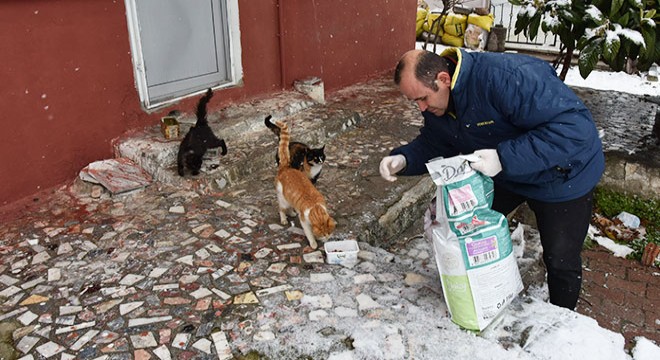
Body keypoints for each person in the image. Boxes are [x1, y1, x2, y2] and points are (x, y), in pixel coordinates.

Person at [379, 48, 604, 310]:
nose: (421, 107)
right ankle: (483, 292)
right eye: (414, 102)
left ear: (443, 78)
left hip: (562, 175)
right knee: (465, 225)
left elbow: (575, 131)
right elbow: (436, 141)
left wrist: (503, 158)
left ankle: (561, 320)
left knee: (560, 259)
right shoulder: (438, 102)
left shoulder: (506, 78)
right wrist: (404, 159)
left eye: (423, 99)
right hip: (506, 172)